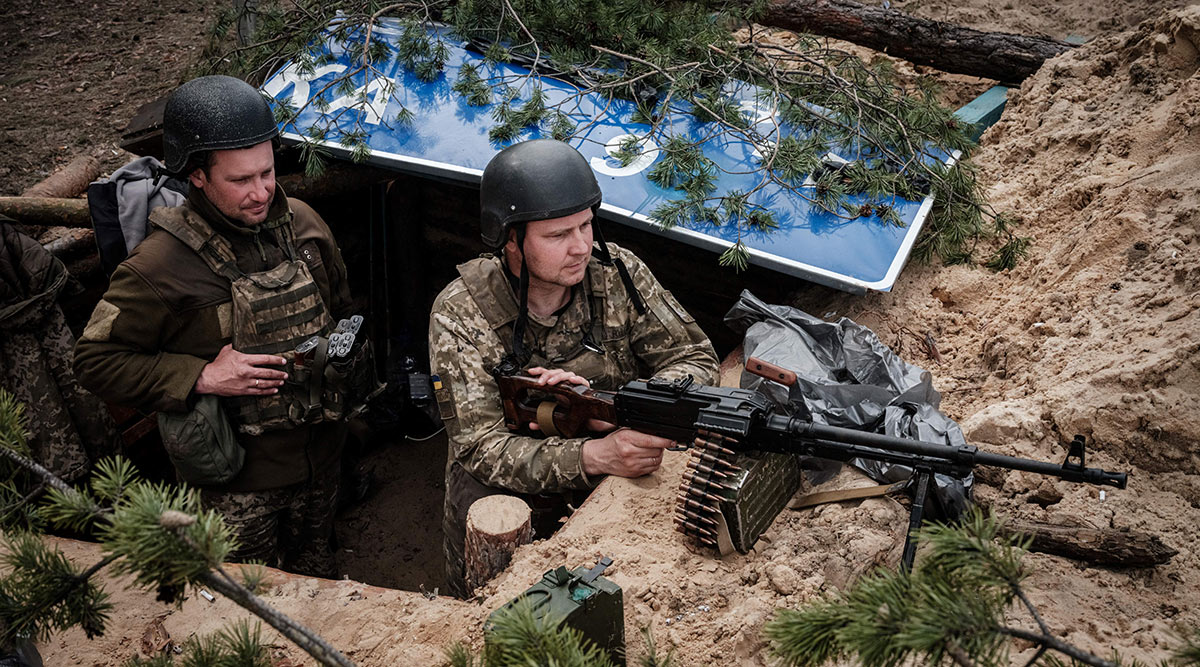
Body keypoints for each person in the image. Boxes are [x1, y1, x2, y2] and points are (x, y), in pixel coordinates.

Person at [74, 75, 353, 577]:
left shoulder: (306, 226)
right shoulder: (158, 267)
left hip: (323, 458)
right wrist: (200, 376)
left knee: (318, 579)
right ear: (197, 176)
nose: (261, 192)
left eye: (266, 173)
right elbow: (94, 360)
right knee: (246, 609)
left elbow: (340, 309)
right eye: (240, 180)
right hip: (236, 488)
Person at [429, 138, 719, 597]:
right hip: (504, 496)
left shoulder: (618, 273)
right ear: (511, 241)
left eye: (586, 226)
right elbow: (480, 447)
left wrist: (623, 408)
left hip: (609, 481)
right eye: (558, 235)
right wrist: (593, 455)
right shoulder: (463, 312)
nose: (581, 246)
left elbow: (693, 358)